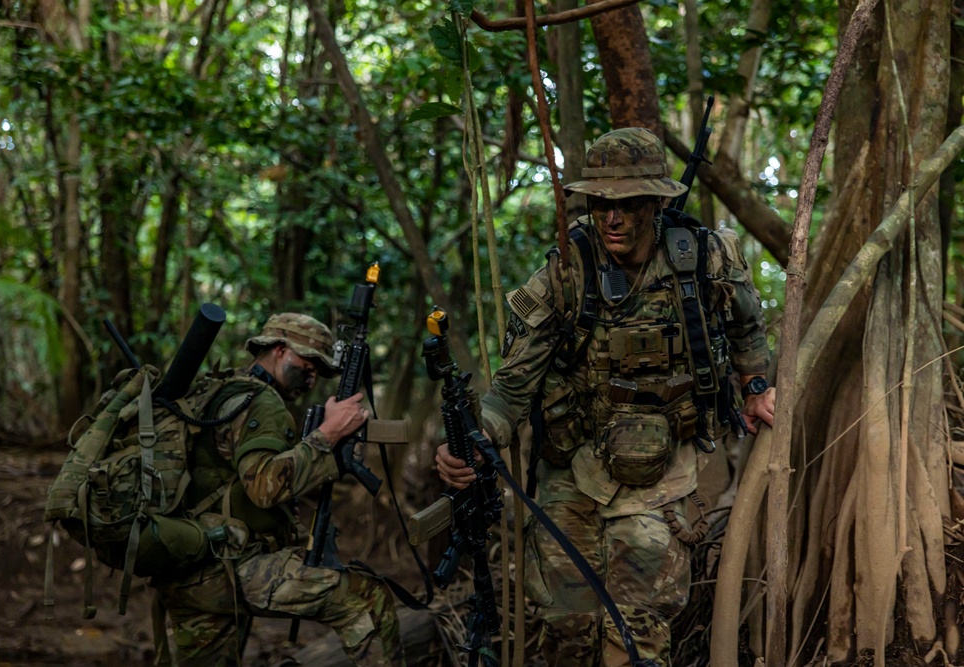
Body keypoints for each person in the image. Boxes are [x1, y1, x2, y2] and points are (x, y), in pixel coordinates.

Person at [435, 128, 775, 666]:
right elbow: (513, 384)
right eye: (600, 203)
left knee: (636, 635)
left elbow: (747, 326)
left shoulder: (704, 257)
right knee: (565, 630)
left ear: (658, 202)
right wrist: (479, 439)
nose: (612, 218)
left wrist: (756, 386)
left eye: (628, 204)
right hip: (572, 473)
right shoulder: (565, 273)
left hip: (661, 480)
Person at [152, 313, 404, 667]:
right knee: (367, 600)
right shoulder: (261, 403)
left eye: (320, 369)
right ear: (279, 350)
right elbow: (263, 488)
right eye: (308, 362)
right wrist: (328, 434)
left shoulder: (220, 389)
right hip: (228, 567)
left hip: (186, 568)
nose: (313, 376)